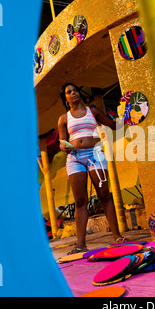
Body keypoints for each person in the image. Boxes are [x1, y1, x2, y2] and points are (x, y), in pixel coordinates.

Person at [58, 83, 128, 253]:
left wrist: (129, 113)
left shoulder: (93, 111)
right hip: (74, 158)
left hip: (95, 155)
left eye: (75, 90)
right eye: (69, 92)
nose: (73, 93)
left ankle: (117, 236)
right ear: (66, 99)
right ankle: (80, 244)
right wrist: (63, 147)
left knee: (104, 194)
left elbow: (113, 125)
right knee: (80, 201)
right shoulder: (63, 119)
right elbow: (62, 141)